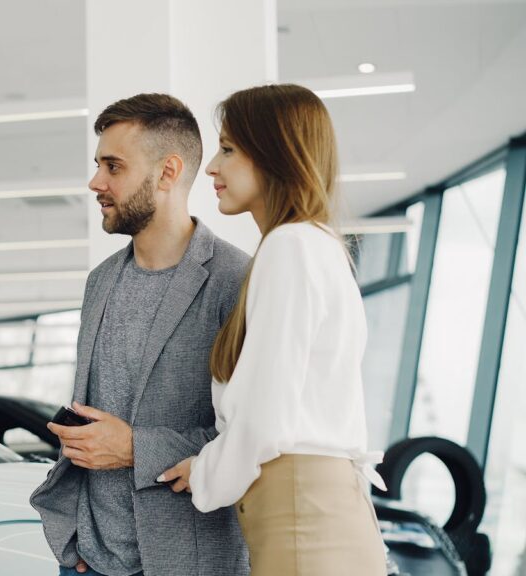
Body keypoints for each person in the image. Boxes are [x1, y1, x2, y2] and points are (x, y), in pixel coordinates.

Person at [158, 84, 388, 576]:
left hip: (302, 518)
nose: (213, 168)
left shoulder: (291, 246)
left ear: (275, 153)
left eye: (228, 149)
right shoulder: (314, 244)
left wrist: (206, 473)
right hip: (313, 512)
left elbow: (266, 410)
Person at [30, 93, 251, 576]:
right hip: (88, 559)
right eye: (98, 165)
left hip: (184, 559)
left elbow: (251, 434)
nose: (96, 182)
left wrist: (136, 449)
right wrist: (75, 544)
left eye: (113, 167)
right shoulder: (101, 280)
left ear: (168, 173)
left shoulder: (236, 280)